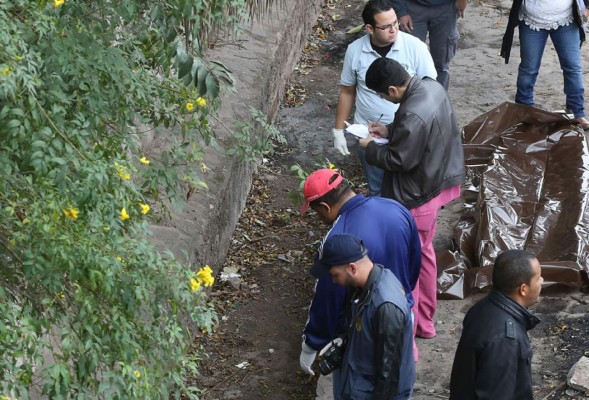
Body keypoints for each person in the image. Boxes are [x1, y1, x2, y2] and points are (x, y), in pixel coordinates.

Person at [359, 57, 465, 340]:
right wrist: (389, 131)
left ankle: (409, 332)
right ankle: (426, 323)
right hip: (438, 182)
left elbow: (399, 158)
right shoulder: (431, 87)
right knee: (425, 255)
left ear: (393, 90)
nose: (383, 99)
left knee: (407, 267)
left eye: (382, 94)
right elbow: (420, 135)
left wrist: (370, 148)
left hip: (416, 195)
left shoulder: (412, 114)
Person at [298, 168, 421, 375]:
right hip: (402, 313)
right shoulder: (396, 208)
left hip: (363, 328)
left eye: (316, 211)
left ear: (325, 207)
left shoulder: (338, 239)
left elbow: (328, 296)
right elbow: (414, 261)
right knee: (394, 379)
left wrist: (312, 342)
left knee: (358, 386)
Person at [332, 0, 436, 197]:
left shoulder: (415, 47)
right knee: (377, 188)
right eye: (386, 26)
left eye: (395, 23)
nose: (393, 29)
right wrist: (338, 130)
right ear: (369, 28)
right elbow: (347, 91)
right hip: (369, 132)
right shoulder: (355, 51)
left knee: (409, 188)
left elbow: (430, 90)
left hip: (408, 133)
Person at [310, 233, 415, 400]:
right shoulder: (368, 283)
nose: (333, 281)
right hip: (358, 382)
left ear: (352, 268)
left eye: (334, 274)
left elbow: (388, 373)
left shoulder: (386, 306)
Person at [449, 249, 543, 399]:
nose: (542, 281)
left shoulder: (482, 308)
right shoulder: (505, 339)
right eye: (538, 278)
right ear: (523, 289)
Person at [500, 0, 589, 129]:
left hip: (566, 19)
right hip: (532, 20)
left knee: (572, 68)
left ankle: (576, 113)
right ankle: (525, 113)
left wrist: (586, 7)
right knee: (528, 69)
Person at [392, 0, 468, 90]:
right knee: (408, 62)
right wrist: (401, 11)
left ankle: (439, 100)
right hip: (412, 7)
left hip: (446, 8)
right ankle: (410, 101)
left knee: (442, 63)